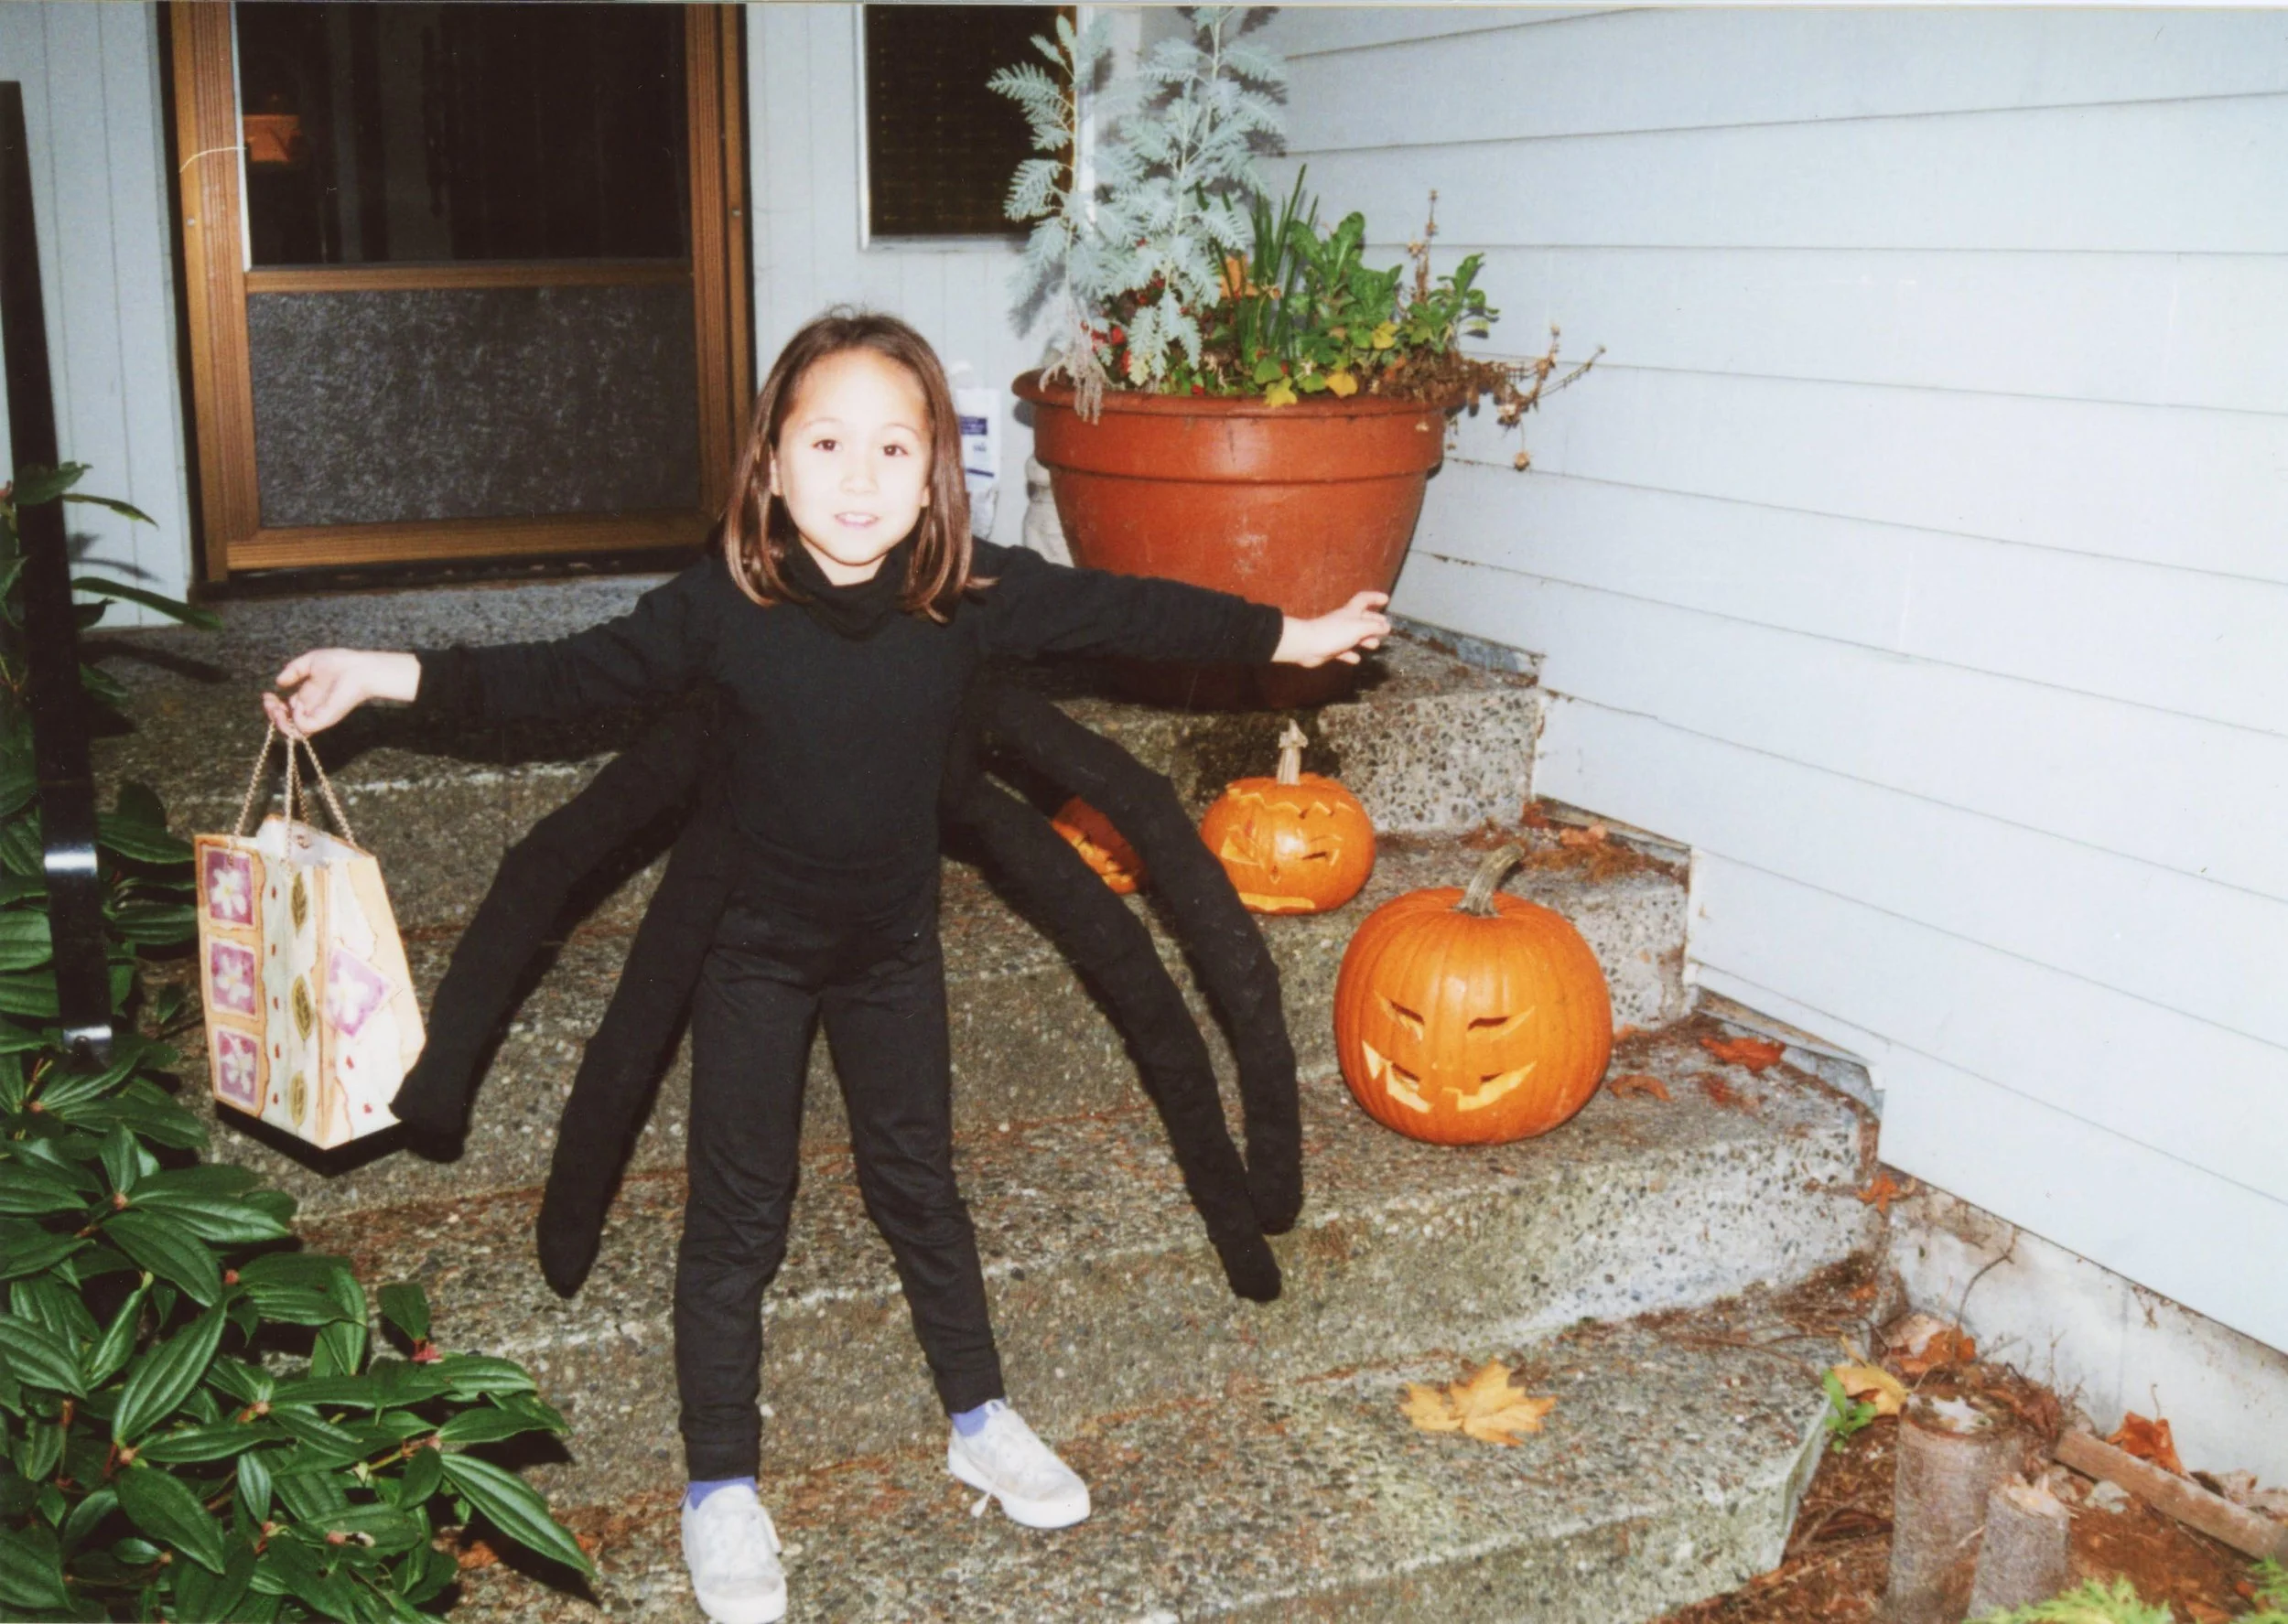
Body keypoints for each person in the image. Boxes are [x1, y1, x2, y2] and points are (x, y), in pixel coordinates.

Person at [265, 309, 1387, 1624]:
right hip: (754, 956)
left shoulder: (966, 601)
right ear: (773, 467)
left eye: (895, 448)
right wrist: (382, 671)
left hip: (893, 955)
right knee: (740, 1215)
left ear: (934, 477)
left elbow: (1127, 601)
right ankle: (721, 1486)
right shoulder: (722, 610)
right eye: (829, 442)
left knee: (924, 1185)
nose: (860, 479)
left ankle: (978, 1412)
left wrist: (1288, 634)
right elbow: (559, 675)